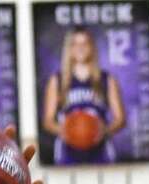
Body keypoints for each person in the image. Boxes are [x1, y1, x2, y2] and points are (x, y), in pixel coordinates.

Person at [42, 29, 125, 165]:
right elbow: (48, 121)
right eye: (75, 44)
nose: (80, 48)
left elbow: (120, 119)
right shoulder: (57, 80)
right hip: (67, 152)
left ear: (92, 47)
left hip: (100, 152)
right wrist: (66, 131)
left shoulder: (107, 80)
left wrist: (105, 130)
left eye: (85, 43)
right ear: (70, 49)